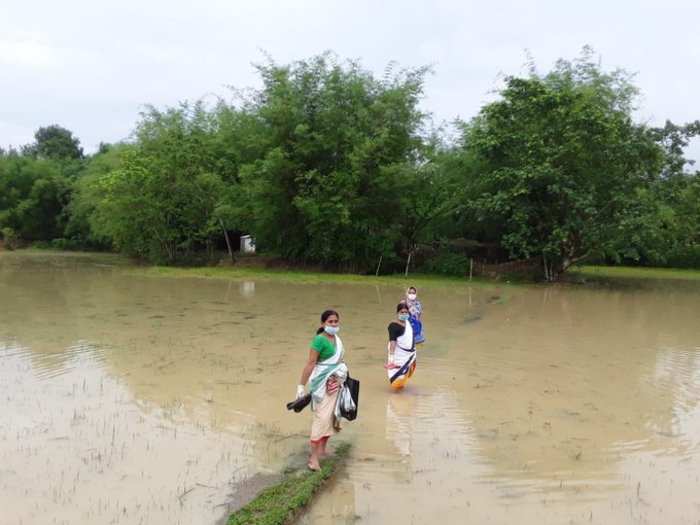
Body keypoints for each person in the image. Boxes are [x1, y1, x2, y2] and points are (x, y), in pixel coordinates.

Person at [296, 309, 348, 470]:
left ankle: (322, 450)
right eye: (330, 322)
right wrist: (301, 386)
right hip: (321, 384)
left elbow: (339, 361)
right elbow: (310, 363)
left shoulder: (337, 340)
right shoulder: (319, 340)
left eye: (335, 321)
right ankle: (313, 459)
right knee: (321, 419)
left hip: (335, 384)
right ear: (323, 324)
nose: (333, 324)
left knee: (332, 417)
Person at [385, 302, 416, 390]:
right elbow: (392, 342)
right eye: (402, 312)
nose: (404, 314)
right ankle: (396, 400)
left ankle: (401, 391)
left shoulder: (407, 323)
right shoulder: (393, 326)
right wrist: (391, 359)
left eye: (406, 312)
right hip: (399, 357)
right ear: (397, 313)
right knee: (396, 381)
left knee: (403, 379)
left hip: (409, 356)